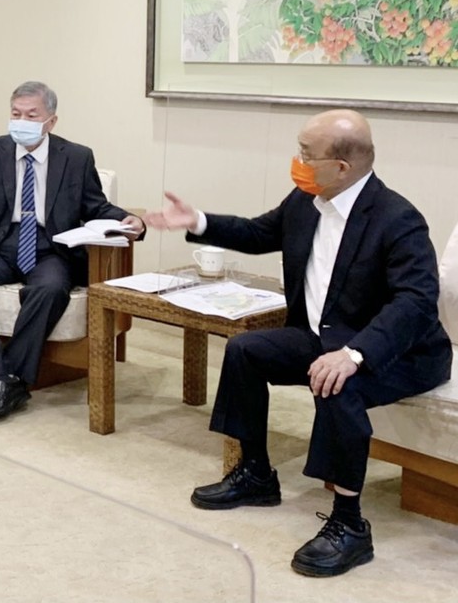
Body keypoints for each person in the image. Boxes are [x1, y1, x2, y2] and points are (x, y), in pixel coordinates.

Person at [145, 109, 451, 578]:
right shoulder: (308, 199)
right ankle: (255, 474)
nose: (298, 162)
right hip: (325, 335)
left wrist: (354, 355)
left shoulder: (397, 218)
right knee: (245, 351)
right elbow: (259, 232)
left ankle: (349, 525)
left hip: (401, 351)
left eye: (307, 154)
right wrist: (199, 220)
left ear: (341, 167)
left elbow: (415, 302)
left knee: (337, 383)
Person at [0, 81, 144, 422]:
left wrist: (130, 220)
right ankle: (0, 378)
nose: (21, 121)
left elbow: (95, 206)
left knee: (51, 289)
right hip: (1, 244)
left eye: (31, 115)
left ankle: (6, 379)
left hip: (51, 247)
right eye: (16, 114)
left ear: (51, 121)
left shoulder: (77, 157)